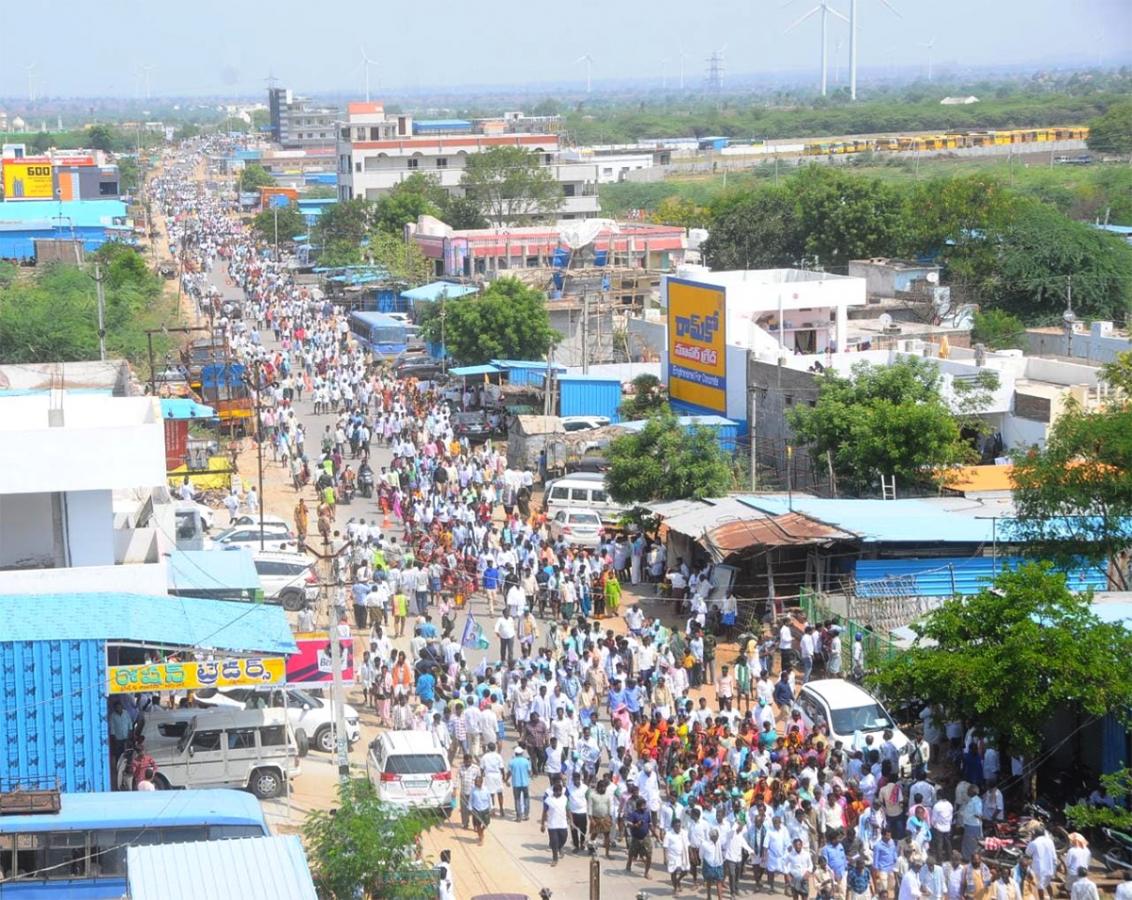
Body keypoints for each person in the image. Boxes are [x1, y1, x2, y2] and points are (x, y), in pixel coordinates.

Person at [541, 779, 570, 867]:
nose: (558, 793)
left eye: (559, 791)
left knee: (564, 838)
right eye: (556, 791)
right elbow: (544, 812)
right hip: (552, 825)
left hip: (563, 824)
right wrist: (542, 824)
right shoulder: (548, 800)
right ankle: (555, 858)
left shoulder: (565, 799)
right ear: (553, 791)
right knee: (554, 842)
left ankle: (560, 847)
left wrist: (571, 820)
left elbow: (568, 810)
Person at [1024, 828, 1056, 900]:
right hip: (1050, 867)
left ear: (1035, 834)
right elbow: (1054, 856)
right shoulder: (1050, 841)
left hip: (1039, 869)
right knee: (1048, 883)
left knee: (1040, 887)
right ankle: (1051, 897)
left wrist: (1031, 840)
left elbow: (1027, 853)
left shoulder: (1034, 843)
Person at [625, 797, 653, 878]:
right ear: (638, 806)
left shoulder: (647, 813)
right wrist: (635, 825)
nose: (644, 807)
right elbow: (628, 824)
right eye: (642, 805)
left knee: (649, 855)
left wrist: (656, 834)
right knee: (631, 854)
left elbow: (650, 824)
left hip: (646, 837)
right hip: (636, 837)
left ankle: (646, 872)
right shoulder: (633, 814)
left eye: (645, 805)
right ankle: (628, 865)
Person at [587, 776, 614, 859]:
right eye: (601, 787)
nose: (603, 789)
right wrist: (591, 819)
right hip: (595, 818)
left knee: (607, 836)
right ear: (598, 787)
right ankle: (591, 849)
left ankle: (607, 853)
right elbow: (589, 808)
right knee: (594, 835)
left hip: (605, 818)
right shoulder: (592, 795)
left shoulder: (608, 795)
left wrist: (610, 818)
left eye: (604, 787)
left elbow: (610, 806)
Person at [663, 816, 691, 896]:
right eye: (676, 826)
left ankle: (678, 880)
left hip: (683, 856)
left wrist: (691, 854)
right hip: (673, 856)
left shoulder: (684, 832)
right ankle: (675, 889)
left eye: (679, 825)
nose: (678, 827)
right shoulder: (668, 834)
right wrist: (665, 858)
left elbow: (688, 844)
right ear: (673, 826)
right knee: (673, 873)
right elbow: (665, 847)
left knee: (686, 871)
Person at [505, 747, 532, 821]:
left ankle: (518, 816)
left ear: (515, 753)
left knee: (517, 800)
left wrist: (506, 780)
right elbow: (529, 772)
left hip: (516, 784)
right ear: (522, 753)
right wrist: (529, 776)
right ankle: (526, 815)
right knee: (526, 799)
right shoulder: (526, 761)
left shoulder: (511, 762)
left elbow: (509, 773)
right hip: (525, 783)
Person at [469, 775, 492, 845]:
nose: (476, 784)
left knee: (487, 823)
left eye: (477, 782)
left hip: (485, 809)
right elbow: (470, 800)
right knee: (478, 825)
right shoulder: (473, 790)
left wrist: (492, 808)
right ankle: (481, 837)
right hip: (476, 809)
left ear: (481, 782)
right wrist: (470, 808)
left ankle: (482, 831)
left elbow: (489, 799)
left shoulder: (486, 790)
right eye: (475, 782)